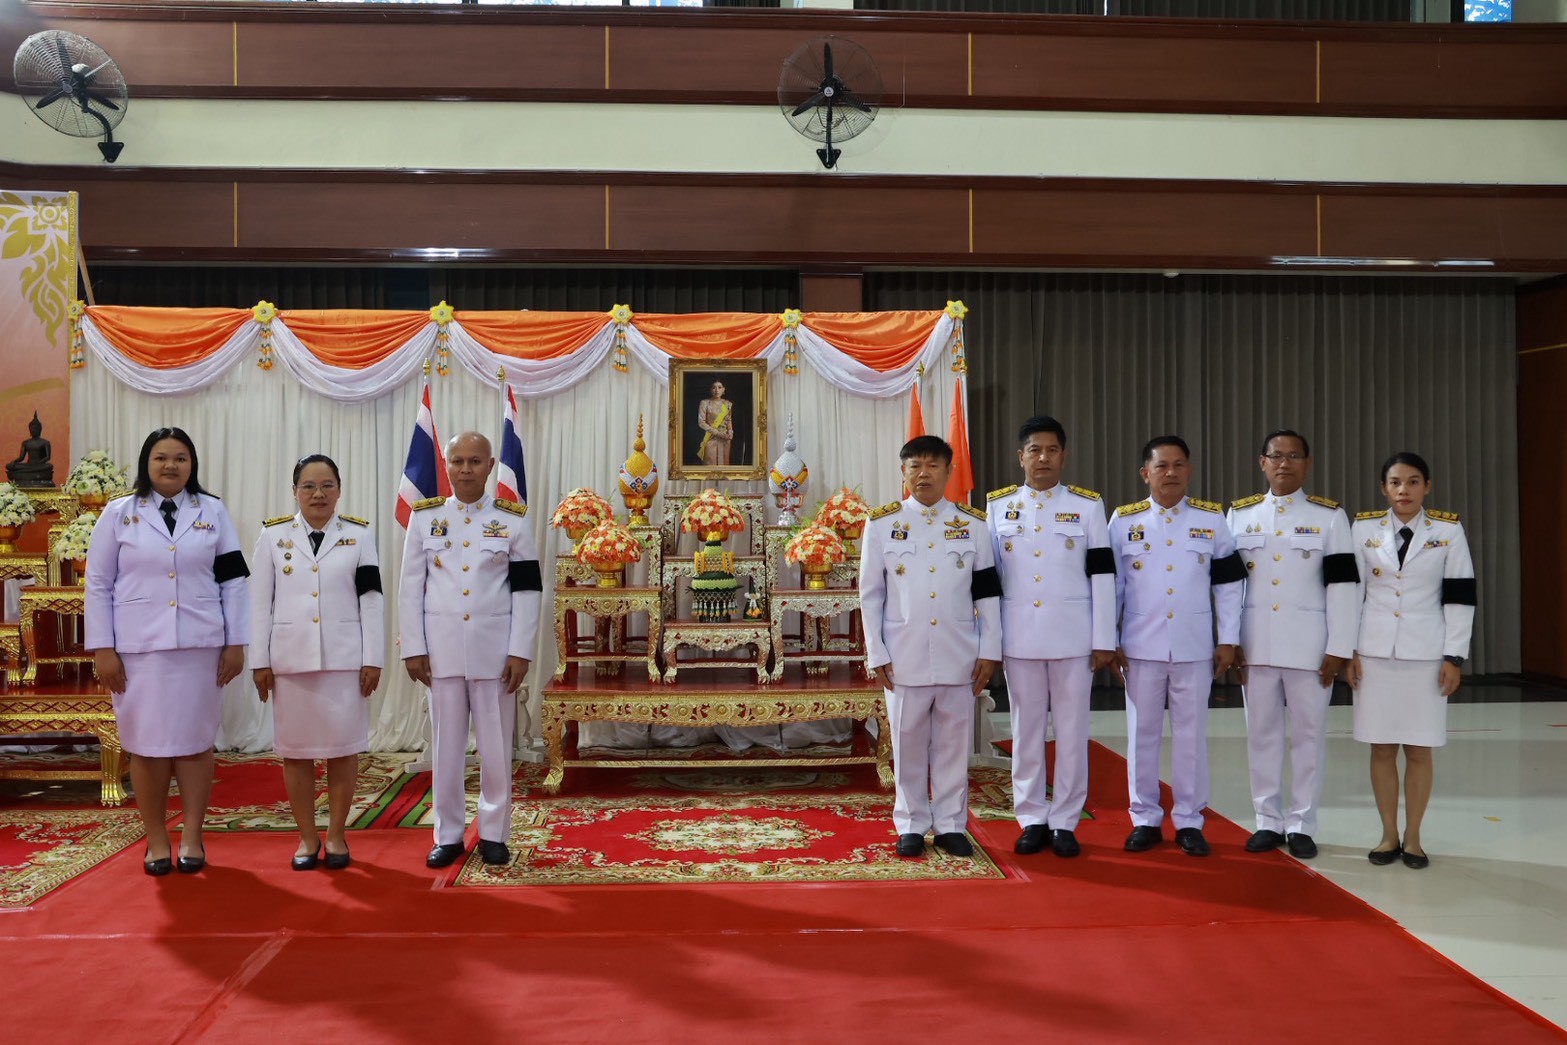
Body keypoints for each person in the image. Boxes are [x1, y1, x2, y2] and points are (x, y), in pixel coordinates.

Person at [84, 427, 249, 876]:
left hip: (200, 647)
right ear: (147, 463)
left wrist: (236, 642)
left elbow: (233, 580)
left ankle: (192, 836)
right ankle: (156, 839)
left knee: (195, 744)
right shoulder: (119, 513)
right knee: (147, 747)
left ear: (192, 464)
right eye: (161, 457)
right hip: (138, 651)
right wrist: (102, 647)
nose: (171, 465)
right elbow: (98, 583)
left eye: (180, 458)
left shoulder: (213, 511)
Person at [399, 432, 542, 869]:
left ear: (490, 465)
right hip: (440, 651)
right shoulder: (425, 518)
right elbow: (410, 587)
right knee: (446, 748)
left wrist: (520, 650)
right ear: (446, 464)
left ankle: (494, 833)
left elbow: (527, 590)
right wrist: (413, 647)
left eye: (475, 461)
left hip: (495, 652)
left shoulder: (512, 520)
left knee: (496, 748)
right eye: (457, 461)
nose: (465, 469)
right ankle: (447, 835)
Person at [860, 435, 1001, 859]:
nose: (923, 474)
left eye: (933, 466)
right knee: (906, 744)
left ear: (948, 471)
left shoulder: (974, 525)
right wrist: (876, 652)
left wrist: (989, 650)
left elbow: (987, 593)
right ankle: (911, 823)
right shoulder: (881, 524)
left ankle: (951, 825)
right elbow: (870, 594)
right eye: (915, 466)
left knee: (954, 745)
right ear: (903, 472)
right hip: (903, 654)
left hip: (960, 652)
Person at [986, 415, 1115, 858]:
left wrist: (1104, 638)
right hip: (1019, 636)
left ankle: (1065, 820)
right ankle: (1031, 818)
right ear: (1020, 457)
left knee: (1073, 732)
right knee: (1025, 731)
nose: (1043, 457)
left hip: (1073, 638)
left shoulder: (1087, 506)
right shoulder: (998, 507)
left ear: (1064, 455)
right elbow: (990, 580)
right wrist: (992, 640)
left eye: (1052, 450)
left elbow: (1102, 574)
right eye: (1035, 450)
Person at [1226, 429, 1359, 859]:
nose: (1285, 463)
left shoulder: (1330, 517)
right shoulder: (1239, 515)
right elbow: (1228, 587)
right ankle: (1267, 820)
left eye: (1294, 455)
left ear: (1308, 463)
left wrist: (1339, 647)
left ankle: (1302, 823)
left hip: (1311, 649)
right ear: (1262, 462)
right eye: (1276, 456)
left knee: (1309, 737)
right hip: (1255, 646)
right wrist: (1229, 639)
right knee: (1261, 736)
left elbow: (1343, 586)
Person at [1110, 436, 1244, 857]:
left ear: (1189, 470)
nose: (1170, 472)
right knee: (1141, 736)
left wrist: (1228, 639)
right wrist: (1109, 639)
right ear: (1145, 473)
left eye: (1179, 465)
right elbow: (1112, 587)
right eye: (1162, 466)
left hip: (1194, 647)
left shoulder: (1211, 519)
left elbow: (1228, 585)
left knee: (1191, 737)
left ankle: (1189, 820)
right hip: (1140, 647)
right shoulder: (1123, 521)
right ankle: (1144, 818)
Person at [250, 454, 383, 872]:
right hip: (291, 662)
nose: (318, 494)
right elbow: (259, 603)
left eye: (327, 485)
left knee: (344, 751)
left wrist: (373, 657)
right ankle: (307, 837)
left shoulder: (358, 536)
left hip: (345, 661)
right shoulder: (273, 536)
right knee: (297, 753)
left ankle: (337, 835)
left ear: (339, 490)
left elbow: (371, 600)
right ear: (295, 491)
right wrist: (259, 660)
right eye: (308, 486)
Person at [1347, 452, 1474, 870]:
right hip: (1374, 655)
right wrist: (1348, 650)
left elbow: (1460, 595)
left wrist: (1453, 656)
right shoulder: (1363, 528)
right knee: (1382, 747)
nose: (1404, 490)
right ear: (1384, 488)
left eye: (1414, 481)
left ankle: (1414, 838)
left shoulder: (1448, 531)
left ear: (1427, 486)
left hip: (1426, 656)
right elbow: (1351, 594)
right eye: (1396, 482)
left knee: (1420, 749)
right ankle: (1389, 835)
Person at [6, 411, 53, 485]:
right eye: (32, 428)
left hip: (39, 465)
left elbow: (47, 457)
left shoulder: (45, 442)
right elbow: (21, 458)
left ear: (40, 429)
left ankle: (25, 472)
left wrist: (38, 463)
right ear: (29, 429)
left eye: (36, 428)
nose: (34, 430)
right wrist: (14, 462)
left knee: (49, 466)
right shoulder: (26, 442)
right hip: (28, 465)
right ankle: (30, 471)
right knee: (9, 466)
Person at [696, 380, 734, 466]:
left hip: (725, 438)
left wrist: (730, 432)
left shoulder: (727, 404)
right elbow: (701, 422)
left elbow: (728, 420)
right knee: (710, 465)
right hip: (711, 437)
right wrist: (717, 433)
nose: (717, 390)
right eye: (714, 387)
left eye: (719, 387)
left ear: (723, 389)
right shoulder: (705, 403)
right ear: (710, 390)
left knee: (724, 466)